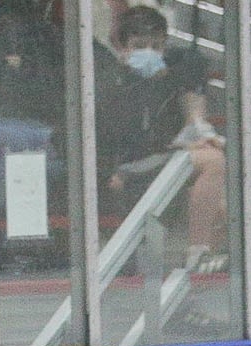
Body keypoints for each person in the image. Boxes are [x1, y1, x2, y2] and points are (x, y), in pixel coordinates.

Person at [94, 4, 227, 270]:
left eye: (156, 46)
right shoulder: (107, 83)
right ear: (121, 47)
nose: (149, 53)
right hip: (120, 172)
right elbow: (122, 141)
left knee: (222, 205)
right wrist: (182, 145)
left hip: (158, 164)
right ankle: (197, 253)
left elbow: (188, 116)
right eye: (140, 45)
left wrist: (195, 135)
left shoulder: (171, 78)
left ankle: (199, 267)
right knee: (212, 162)